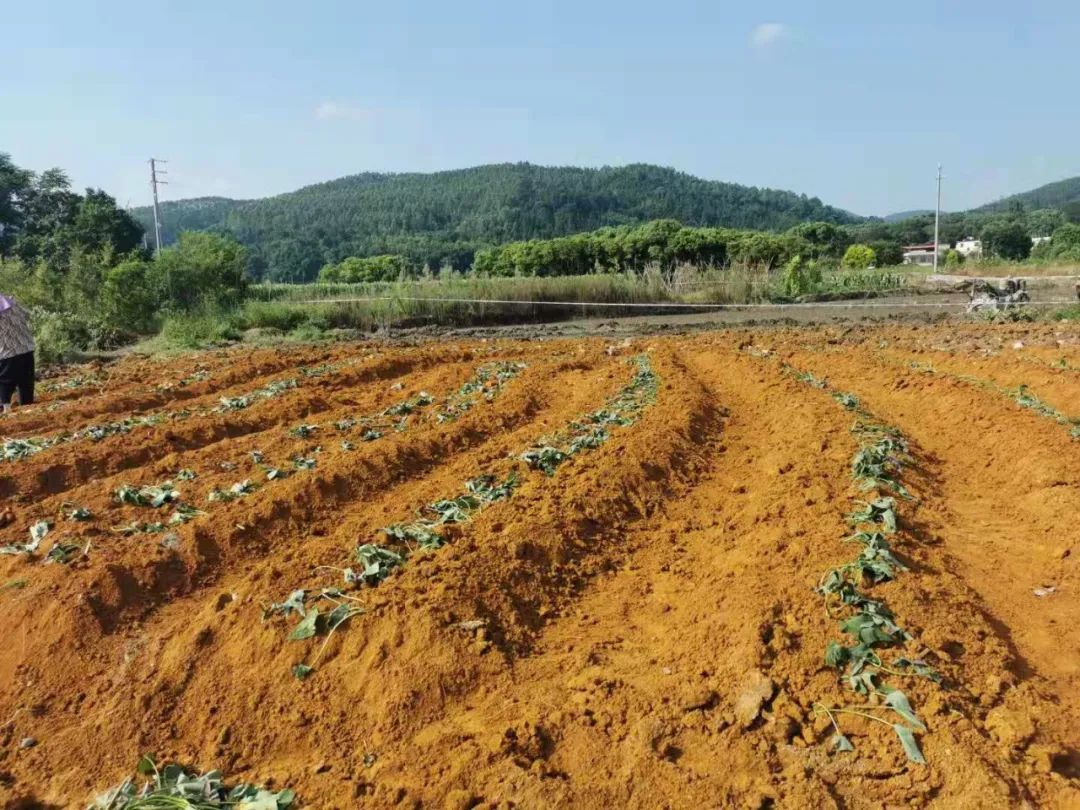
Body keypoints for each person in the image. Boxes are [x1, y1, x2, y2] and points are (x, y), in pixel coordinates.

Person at [0, 295, 35, 410]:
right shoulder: (13, 304)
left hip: (8, 353)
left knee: (5, 382)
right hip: (26, 348)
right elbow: (27, 316)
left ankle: (6, 408)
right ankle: (27, 407)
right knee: (25, 382)